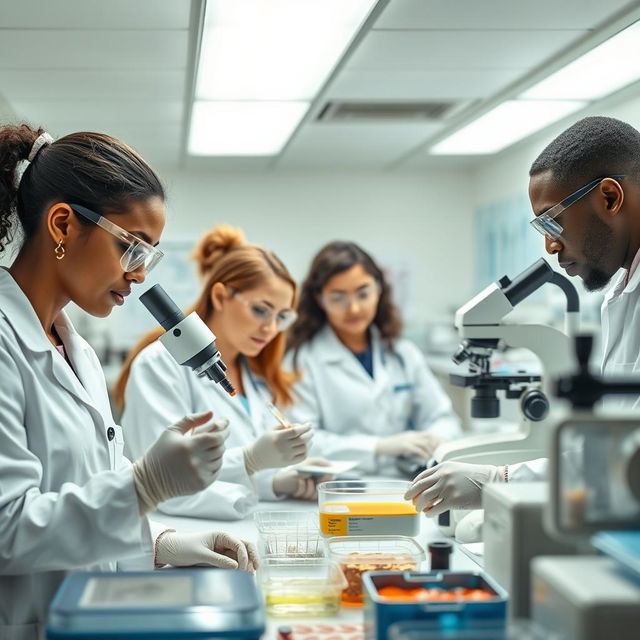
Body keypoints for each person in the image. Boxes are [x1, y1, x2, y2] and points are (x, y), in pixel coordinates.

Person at [0, 125, 256, 639]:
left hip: (88, 614)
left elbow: (92, 491)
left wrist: (158, 542)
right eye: (131, 248)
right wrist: (145, 485)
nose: (139, 275)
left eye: (149, 255)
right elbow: (8, 528)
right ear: (63, 224)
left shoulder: (78, 353)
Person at [406, 115, 640, 517]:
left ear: (609, 198)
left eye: (553, 220)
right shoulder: (622, 293)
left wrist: (502, 482)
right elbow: (611, 443)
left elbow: (627, 457)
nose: (550, 245)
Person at [116, 225, 323, 520]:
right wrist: (251, 461)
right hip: (180, 536)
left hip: (248, 531)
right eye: (262, 310)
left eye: (281, 316)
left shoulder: (254, 372)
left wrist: (275, 482)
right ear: (220, 296)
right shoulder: (160, 365)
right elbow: (162, 479)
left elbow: (234, 472)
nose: (271, 328)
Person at [285, 241, 461, 474]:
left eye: (363, 293)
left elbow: (442, 417)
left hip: (408, 479)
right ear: (319, 299)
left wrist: (435, 440)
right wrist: (379, 447)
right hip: (343, 485)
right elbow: (303, 441)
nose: (354, 308)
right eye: (338, 297)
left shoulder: (402, 353)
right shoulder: (302, 361)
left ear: (378, 289)